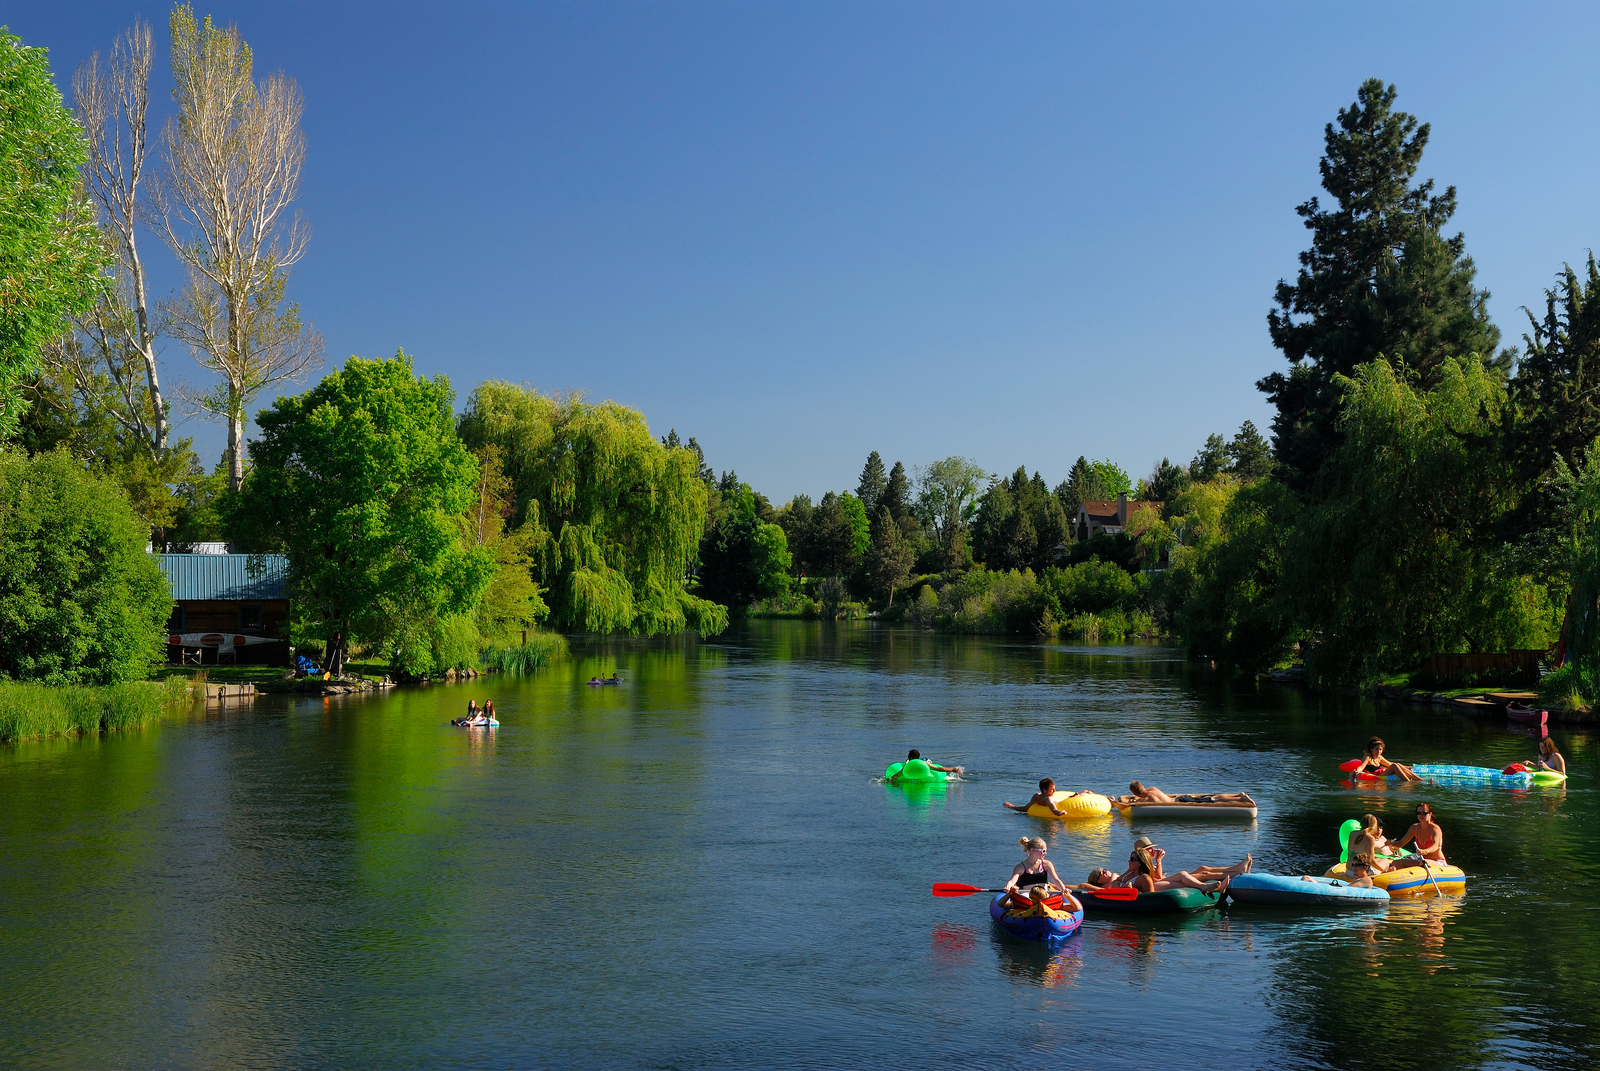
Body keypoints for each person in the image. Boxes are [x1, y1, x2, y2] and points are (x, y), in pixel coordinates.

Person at [1003, 837, 1068, 895]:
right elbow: (1012, 881)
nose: (1045, 853)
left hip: (1044, 895)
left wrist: (1064, 889)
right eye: (1043, 851)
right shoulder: (1020, 867)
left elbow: (1056, 880)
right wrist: (1008, 887)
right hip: (1027, 896)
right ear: (1034, 850)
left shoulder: (1047, 864)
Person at [1003, 777, 1093, 816]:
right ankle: (1106, 799)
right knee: (1087, 791)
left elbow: (1026, 808)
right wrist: (1061, 813)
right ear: (1045, 790)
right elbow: (1054, 810)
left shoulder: (1036, 796)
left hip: (1065, 799)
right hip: (1069, 801)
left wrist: (1012, 806)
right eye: (1052, 789)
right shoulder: (1048, 799)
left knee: (1085, 791)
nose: (1055, 791)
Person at [1122, 781, 1254, 805]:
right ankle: (1238, 795)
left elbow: (1129, 806)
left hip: (1182, 802)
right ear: (1143, 786)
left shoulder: (1145, 799)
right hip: (1181, 798)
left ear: (1135, 793)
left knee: (1212, 800)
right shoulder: (1152, 789)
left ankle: (1241, 800)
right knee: (1211, 797)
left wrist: (1114, 802)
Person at [1352, 736, 1420, 781]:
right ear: (1371, 749)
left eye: (1380, 750)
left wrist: (1408, 767)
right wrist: (1356, 771)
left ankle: (1420, 780)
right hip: (1377, 775)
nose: (1379, 751)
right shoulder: (1367, 757)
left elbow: (1389, 764)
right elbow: (1361, 767)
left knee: (1397, 764)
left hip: (1382, 773)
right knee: (1394, 766)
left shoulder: (1379, 757)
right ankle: (1408, 781)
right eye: (1376, 749)